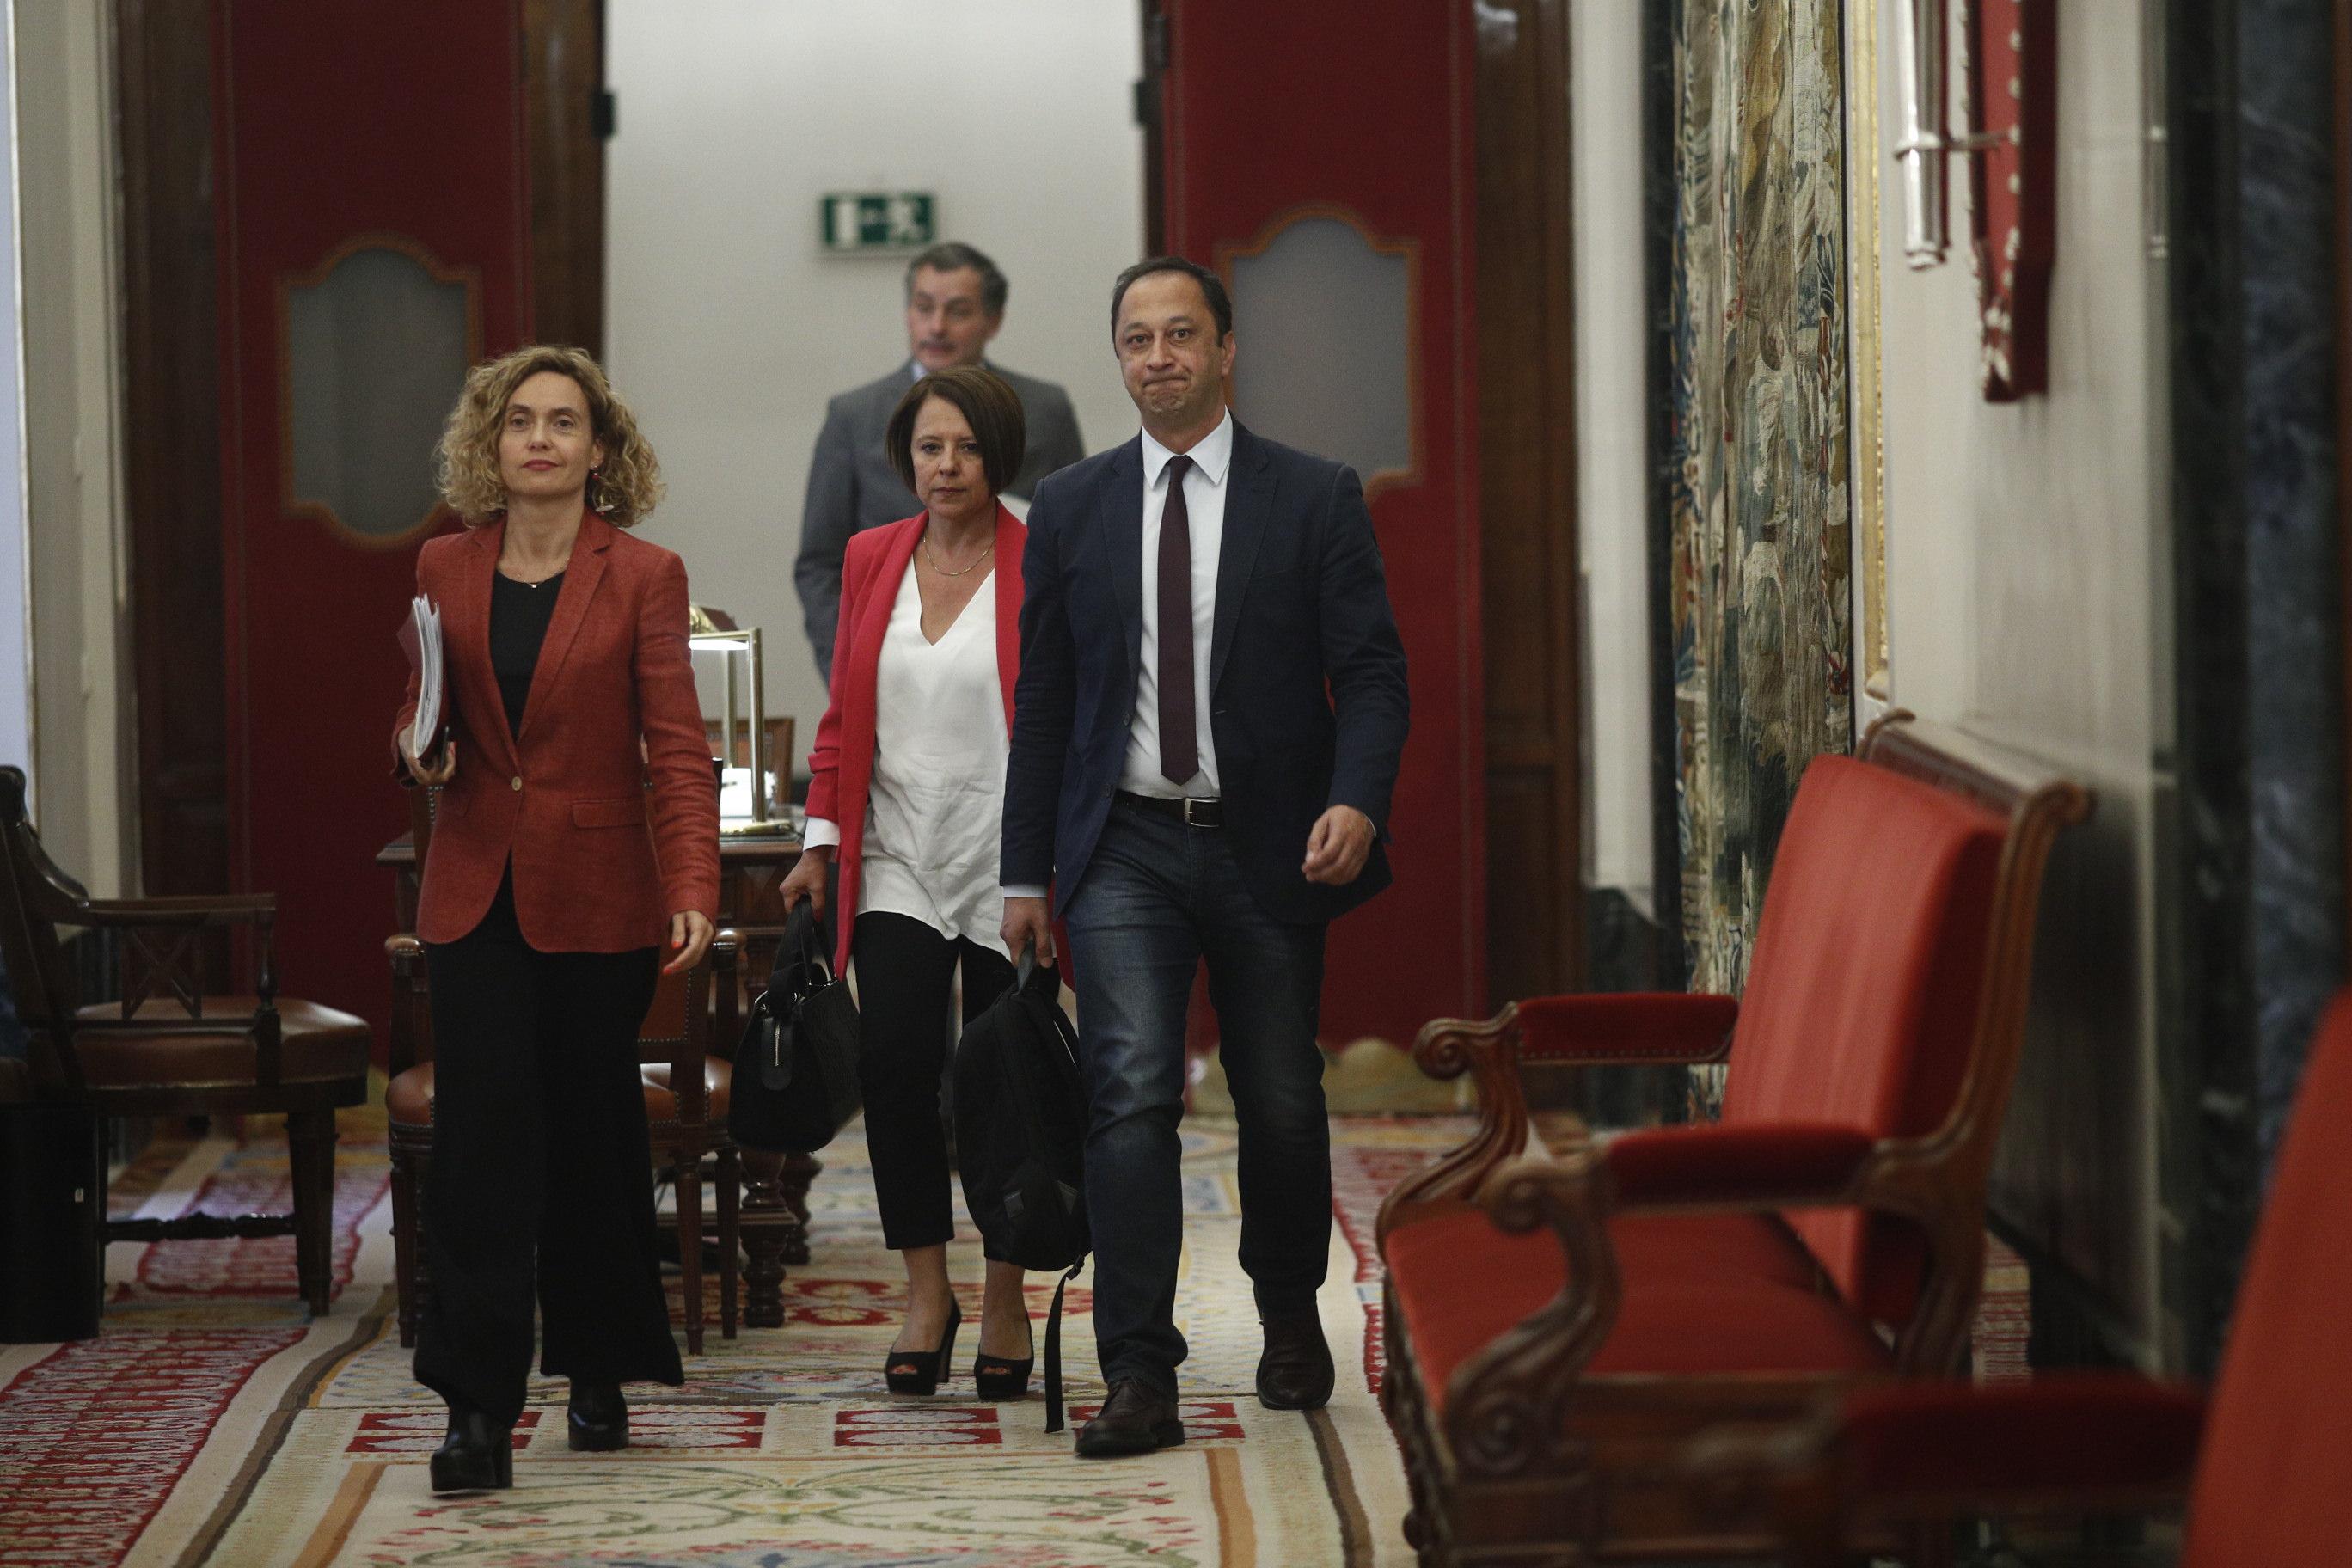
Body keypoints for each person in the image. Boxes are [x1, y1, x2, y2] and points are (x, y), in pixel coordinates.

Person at [1001, 257, 1411, 1459]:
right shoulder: (1071, 506)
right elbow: (1047, 699)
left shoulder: (1313, 495)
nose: (1160, 357)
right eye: (1138, 339)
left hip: (1272, 844)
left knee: (1279, 1096)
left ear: (1228, 350)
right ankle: (1139, 1367)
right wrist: (1027, 872)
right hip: (1122, 842)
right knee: (1128, 1091)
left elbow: (1374, 673)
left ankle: (1288, 1303)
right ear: (1118, 359)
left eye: (1183, 334)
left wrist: (1359, 800)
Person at [392, 345, 720, 1492]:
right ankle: (475, 1408)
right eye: (519, 421)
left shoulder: (642, 573)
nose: (540, 439)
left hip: (601, 893)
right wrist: (414, 747)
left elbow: (678, 749)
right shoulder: (444, 561)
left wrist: (692, 885)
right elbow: (425, 712)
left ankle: (599, 1360)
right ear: (491, 445)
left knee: (593, 1135)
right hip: (475, 887)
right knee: (482, 1146)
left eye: (563, 422)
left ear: (599, 449)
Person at [780, 364, 1038, 1400]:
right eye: (930, 448)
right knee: (893, 1070)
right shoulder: (870, 555)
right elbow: (844, 716)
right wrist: (816, 839)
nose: (946, 466)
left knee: (1004, 1078)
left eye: (967, 448)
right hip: (893, 852)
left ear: (999, 456)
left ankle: (1008, 1292)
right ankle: (926, 1292)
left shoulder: (1041, 555)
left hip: (1006, 859)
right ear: (906, 459)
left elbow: (1060, 719)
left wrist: (1049, 871)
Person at [794, 242, 1087, 678]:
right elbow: (820, 562)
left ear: (994, 320)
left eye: (958, 311)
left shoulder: (1043, 409)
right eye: (923, 307)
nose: (937, 327)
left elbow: (1076, 543)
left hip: (1017, 652)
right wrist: (846, 667)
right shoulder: (854, 416)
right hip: (891, 652)